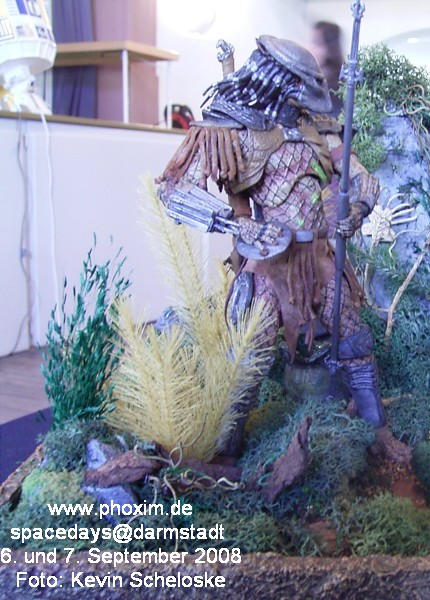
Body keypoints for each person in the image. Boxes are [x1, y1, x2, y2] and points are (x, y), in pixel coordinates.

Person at [156, 35, 409, 464]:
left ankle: (378, 432)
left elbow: (359, 176)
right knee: (248, 358)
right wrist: (234, 223)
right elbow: (174, 189)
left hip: (320, 261)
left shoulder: (316, 127)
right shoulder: (230, 129)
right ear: (278, 80)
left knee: (355, 341)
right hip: (268, 265)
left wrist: (356, 209)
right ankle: (225, 450)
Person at [308, 21, 344, 118]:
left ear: (330, 47)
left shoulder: (339, 88)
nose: (310, 48)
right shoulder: (308, 80)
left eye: (317, 43)